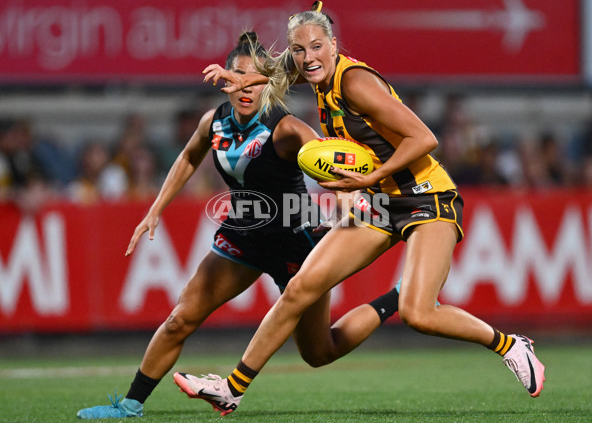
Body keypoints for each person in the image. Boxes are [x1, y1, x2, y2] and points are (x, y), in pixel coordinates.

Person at [174, 2, 546, 416]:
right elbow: (273, 74)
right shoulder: (311, 70)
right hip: (381, 202)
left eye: (316, 47)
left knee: (419, 314)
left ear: (334, 45)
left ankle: (510, 344)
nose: (307, 57)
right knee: (300, 288)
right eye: (299, 49)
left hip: (427, 197)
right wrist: (239, 79)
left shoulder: (354, 83)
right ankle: (232, 388)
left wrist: (371, 179)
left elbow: (424, 138)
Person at [76, 31, 402, 419]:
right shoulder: (213, 122)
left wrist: (352, 205)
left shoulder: (287, 129)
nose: (243, 87)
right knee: (181, 318)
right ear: (225, 80)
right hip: (241, 236)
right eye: (235, 77)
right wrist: (156, 208)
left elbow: (335, 166)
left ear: (265, 82)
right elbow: (187, 158)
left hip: (296, 243)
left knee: (320, 352)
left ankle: (399, 296)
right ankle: (130, 406)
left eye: (252, 78)